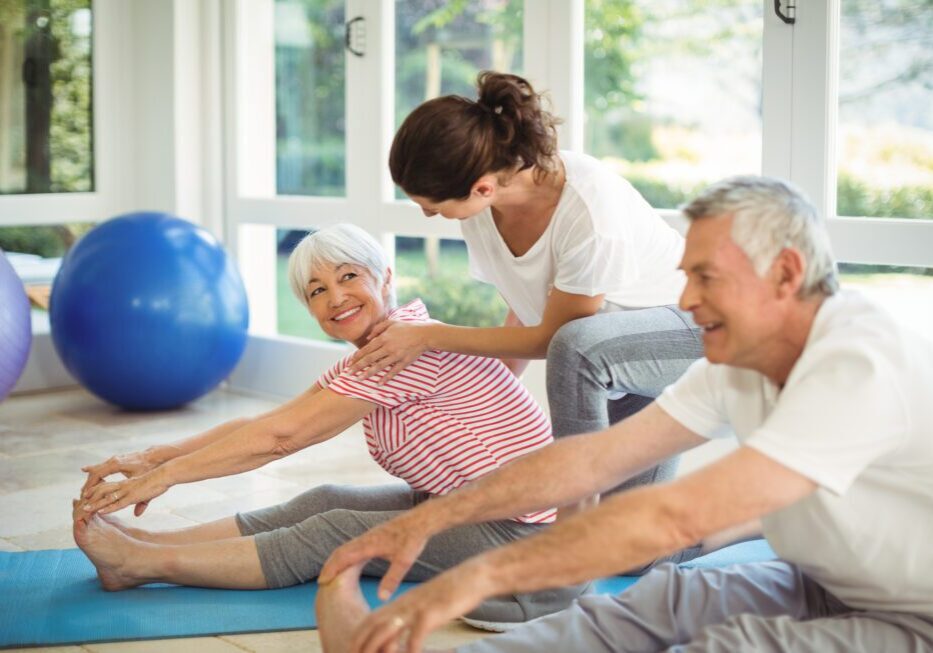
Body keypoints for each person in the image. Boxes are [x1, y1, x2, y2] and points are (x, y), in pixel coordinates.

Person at [315, 177, 933, 653]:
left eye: (705, 278)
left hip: (916, 621)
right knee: (660, 599)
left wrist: (477, 577)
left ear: (786, 274)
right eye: (687, 276)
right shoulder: (739, 362)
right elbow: (591, 461)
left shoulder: (856, 362)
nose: (685, 301)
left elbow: (670, 517)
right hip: (821, 582)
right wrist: (428, 521)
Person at [72, 223, 586, 623]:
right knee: (324, 500)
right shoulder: (379, 348)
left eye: (348, 276)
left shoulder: (405, 350)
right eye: (316, 291)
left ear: (385, 277)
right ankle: (147, 547)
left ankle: (143, 565)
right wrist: (150, 458)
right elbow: (272, 418)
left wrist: (164, 479)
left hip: (515, 530)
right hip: (461, 508)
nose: (335, 297)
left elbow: (280, 439)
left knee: (333, 531)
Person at [350, 72, 703, 523]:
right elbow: (525, 303)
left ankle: (569, 532)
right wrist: (487, 402)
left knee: (576, 348)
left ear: (481, 187)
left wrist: (428, 336)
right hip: (608, 357)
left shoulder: (589, 212)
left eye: (434, 205)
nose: (427, 213)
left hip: (685, 331)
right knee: (630, 543)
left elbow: (556, 339)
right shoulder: (485, 207)